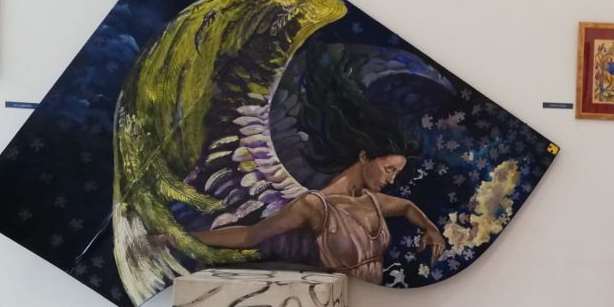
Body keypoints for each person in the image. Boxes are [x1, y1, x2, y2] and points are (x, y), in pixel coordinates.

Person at [188, 57, 445, 284]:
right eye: (389, 169)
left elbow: (407, 207)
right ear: (364, 156)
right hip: (335, 300)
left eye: (396, 173)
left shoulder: (373, 201)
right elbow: (250, 235)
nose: (392, 179)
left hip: (374, 304)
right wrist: (186, 238)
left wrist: (431, 228)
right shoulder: (315, 206)